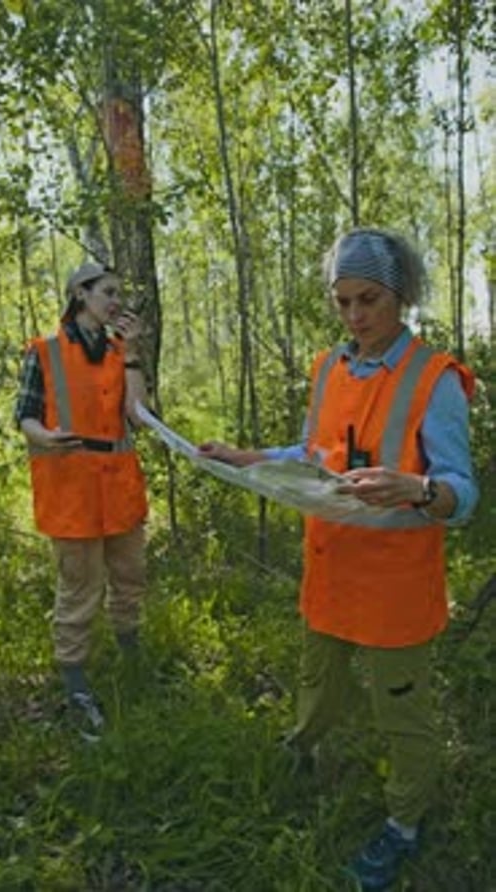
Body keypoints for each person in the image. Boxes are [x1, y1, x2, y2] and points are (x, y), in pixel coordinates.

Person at [198, 228, 479, 891]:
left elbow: (463, 495)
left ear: (402, 297)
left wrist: (420, 490)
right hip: (331, 569)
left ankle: (404, 824)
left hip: (397, 588)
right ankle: (301, 752)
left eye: (369, 301)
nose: (355, 317)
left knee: (401, 714)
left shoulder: (433, 380)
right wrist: (250, 457)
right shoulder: (329, 367)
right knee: (317, 682)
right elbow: (314, 453)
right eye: (342, 301)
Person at [15, 262, 149, 741]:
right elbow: (24, 415)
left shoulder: (118, 353)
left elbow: (139, 415)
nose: (115, 301)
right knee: (79, 589)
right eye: (107, 292)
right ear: (80, 295)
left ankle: (132, 657)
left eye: (119, 292)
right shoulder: (45, 353)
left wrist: (132, 353)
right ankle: (75, 683)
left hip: (120, 486)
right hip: (70, 489)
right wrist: (45, 437)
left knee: (130, 577)